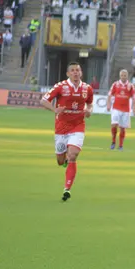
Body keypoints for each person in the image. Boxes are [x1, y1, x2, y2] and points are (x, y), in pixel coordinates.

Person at [39, 62, 94, 201]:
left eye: (78, 70)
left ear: (81, 73)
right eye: (73, 70)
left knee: (73, 155)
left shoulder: (87, 88)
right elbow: (43, 100)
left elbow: (90, 103)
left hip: (78, 126)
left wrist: (89, 111)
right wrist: (54, 109)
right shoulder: (60, 87)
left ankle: (67, 189)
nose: (76, 72)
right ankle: (64, 161)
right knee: (60, 161)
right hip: (61, 128)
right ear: (68, 73)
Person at [106, 69, 135, 151]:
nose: (123, 77)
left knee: (123, 128)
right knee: (114, 125)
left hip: (126, 110)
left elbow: (134, 98)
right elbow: (109, 95)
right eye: (122, 75)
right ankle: (113, 142)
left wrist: (134, 108)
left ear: (127, 76)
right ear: (120, 76)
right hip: (116, 108)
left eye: (125, 75)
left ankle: (120, 145)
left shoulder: (130, 86)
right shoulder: (115, 84)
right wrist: (108, 104)